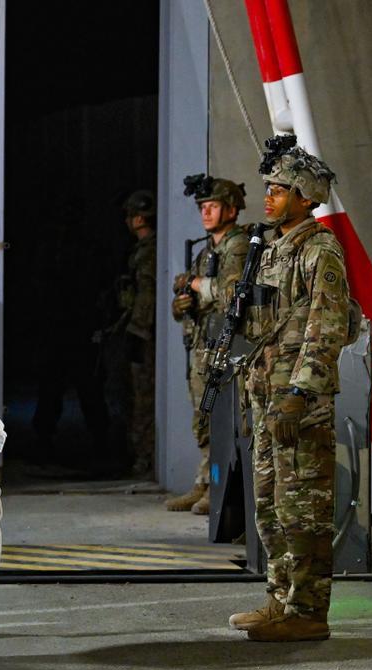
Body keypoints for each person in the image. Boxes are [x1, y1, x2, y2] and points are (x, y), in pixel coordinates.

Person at [229, 135, 347, 642]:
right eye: (269, 188)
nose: (269, 197)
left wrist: (300, 393)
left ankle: (308, 612)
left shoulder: (320, 251)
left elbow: (327, 327)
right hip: (269, 400)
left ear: (305, 196)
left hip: (300, 404)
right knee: (271, 509)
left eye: (280, 189)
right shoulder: (275, 248)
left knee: (305, 509)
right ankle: (280, 599)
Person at [165, 175, 251, 513]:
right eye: (203, 207)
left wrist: (198, 284)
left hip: (226, 347)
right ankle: (204, 481)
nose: (205, 212)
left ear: (230, 209)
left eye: (212, 206)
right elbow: (196, 299)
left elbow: (232, 294)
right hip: (204, 345)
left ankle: (219, 488)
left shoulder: (238, 246)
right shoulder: (207, 250)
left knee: (221, 418)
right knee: (203, 418)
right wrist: (181, 305)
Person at [116, 189, 157, 477]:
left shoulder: (149, 251)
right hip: (138, 328)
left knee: (142, 397)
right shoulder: (143, 249)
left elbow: (146, 296)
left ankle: (144, 457)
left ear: (139, 218)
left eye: (130, 216)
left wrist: (138, 330)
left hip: (143, 332)